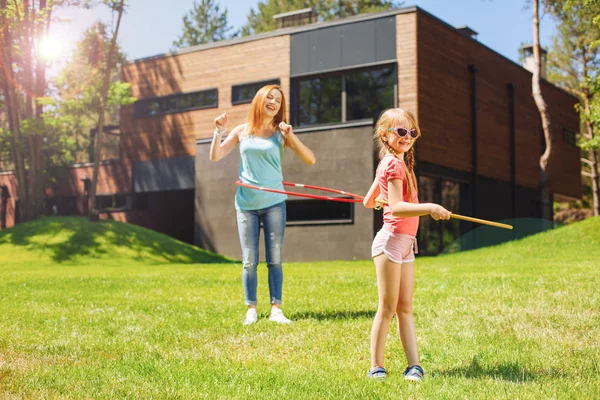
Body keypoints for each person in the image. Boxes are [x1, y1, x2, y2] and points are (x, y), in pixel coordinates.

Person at [209, 84, 316, 325]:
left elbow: (310, 159)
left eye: (278, 100)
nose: (273, 102)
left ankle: (276, 309)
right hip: (246, 203)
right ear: (259, 100)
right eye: (269, 97)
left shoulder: (281, 133)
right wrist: (218, 132)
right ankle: (251, 309)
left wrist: (291, 136)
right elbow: (215, 156)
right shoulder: (241, 131)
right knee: (249, 260)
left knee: (275, 258)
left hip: (274, 202)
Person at [362, 108, 451, 381]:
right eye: (400, 131)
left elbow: (368, 201)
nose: (407, 136)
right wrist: (431, 207)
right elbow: (399, 208)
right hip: (390, 243)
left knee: (405, 308)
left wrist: (383, 199)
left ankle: (414, 366)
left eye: (411, 132)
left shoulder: (398, 164)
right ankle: (376, 366)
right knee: (387, 308)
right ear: (384, 135)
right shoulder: (393, 164)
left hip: (406, 245)